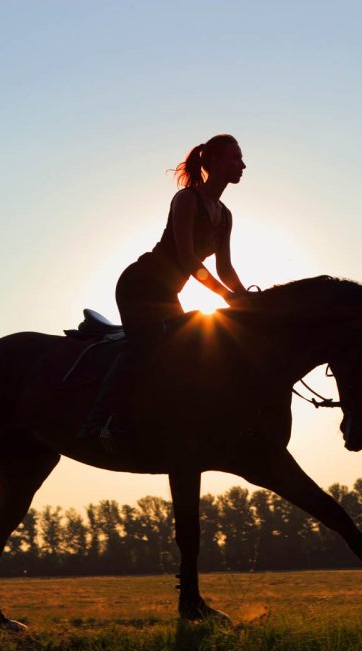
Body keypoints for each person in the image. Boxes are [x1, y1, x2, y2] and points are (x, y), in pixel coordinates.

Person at [79, 134, 249, 448]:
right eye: (235, 158)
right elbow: (187, 258)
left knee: (184, 350)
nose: (243, 165)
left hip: (167, 294)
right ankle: (97, 421)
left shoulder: (225, 215)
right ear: (213, 162)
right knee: (145, 347)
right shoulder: (187, 199)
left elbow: (225, 268)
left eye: (241, 159)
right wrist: (226, 296)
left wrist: (247, 297)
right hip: (140, 284)